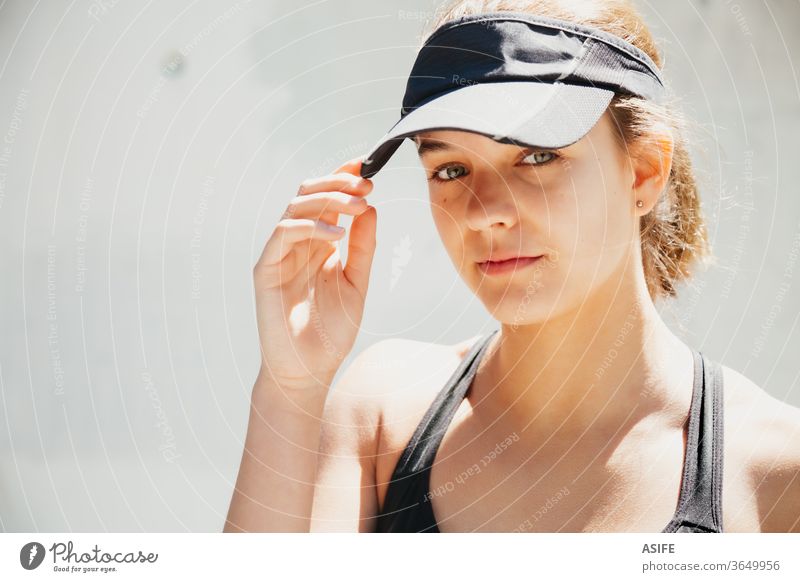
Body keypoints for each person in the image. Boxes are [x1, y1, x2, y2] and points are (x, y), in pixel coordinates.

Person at [224, 0, 800, 533]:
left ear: (644, 171)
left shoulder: (775, 472)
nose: (486, 213)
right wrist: (290, 387)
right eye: (450, 169)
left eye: (538, 156)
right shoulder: (383, 417)